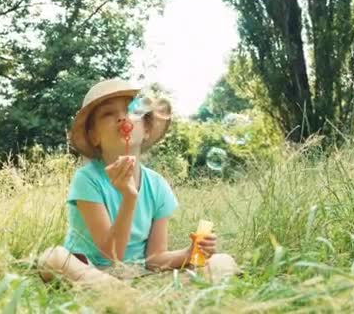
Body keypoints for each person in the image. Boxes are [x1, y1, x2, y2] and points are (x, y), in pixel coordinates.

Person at [38, 78, 238, 287]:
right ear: (93, 136)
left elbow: (155, 259)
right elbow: (110, 255)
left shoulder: (157, 185)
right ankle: (119, 293)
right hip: (90, 270)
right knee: (53, 258)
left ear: (147, 130)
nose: (122, 117)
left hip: (138, 274)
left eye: (133, 110)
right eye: (108, 114)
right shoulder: (87, 179)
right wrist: (129, 197)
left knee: (222, 262)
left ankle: (124, 296)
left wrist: (189, 253)